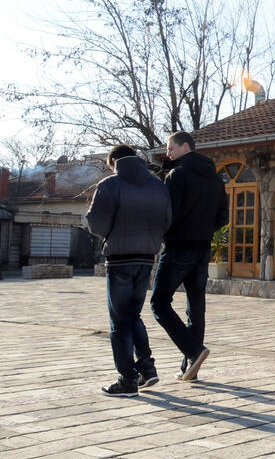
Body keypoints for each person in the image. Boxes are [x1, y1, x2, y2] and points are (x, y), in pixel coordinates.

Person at [86, 145, 172, 397]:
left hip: (119, 259)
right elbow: (167, 222)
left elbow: (97, 224)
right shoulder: (158, 186)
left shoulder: (109, 185)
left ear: (113, 161)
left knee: (119, 321)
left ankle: (127, 379)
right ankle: (147, 368)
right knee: (133, 316)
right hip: (146, 258)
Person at [150, 131, 228, 382]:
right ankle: (190, 368)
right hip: (203, 247)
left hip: (178, 246)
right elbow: (223, 218)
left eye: (171, 148)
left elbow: (166, 213)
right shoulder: (216, 179)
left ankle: (193, 351)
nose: (168, 154)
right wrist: (204, 230)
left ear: (186, 146)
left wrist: (168, 234)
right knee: (196, 306)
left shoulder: (178, 175)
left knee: (159, 303)